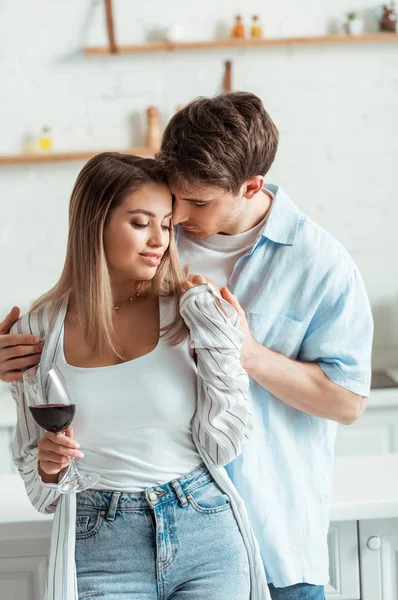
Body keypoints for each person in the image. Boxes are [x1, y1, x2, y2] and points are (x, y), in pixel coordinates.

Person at [0, 91, 373, 600]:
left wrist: (244, 351)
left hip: (272, 530)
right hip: (116, 529)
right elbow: (89, 318)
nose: (173, 224)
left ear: (250, 187)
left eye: (194, 204)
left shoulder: (319, 263)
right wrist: (24, 365)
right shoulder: (160, 236)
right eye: (170, 204)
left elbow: (348, 402)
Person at [6, 153, 268, 600]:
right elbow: (41, 491)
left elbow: (225, 447)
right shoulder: (39, 332)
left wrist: (220, 340)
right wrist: (50, 467)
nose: (159, 241)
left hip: (204, 529)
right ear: (96, 223)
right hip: (99, 546)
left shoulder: (191, 313)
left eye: (166, 224)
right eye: (140, 222)